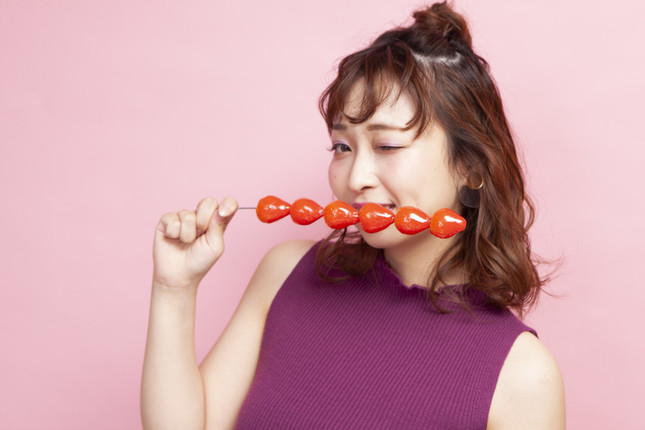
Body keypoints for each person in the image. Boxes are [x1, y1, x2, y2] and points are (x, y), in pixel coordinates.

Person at [141, 2, 565, 429]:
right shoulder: (287, 273)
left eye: (387, 146)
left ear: (470, 167)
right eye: (342, 147)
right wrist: (173, 291)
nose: (356, 178)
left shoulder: (523, 376)